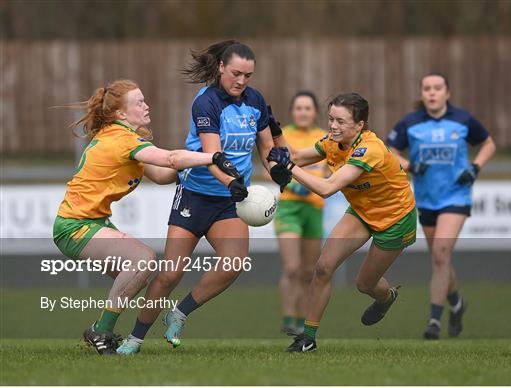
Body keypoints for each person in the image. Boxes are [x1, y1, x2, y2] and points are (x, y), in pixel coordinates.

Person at [116, 40, 291, 355]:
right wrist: (232, 181)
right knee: (170, 273)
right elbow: (213, 155)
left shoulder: (256, 101)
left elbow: (266, 145)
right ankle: (135, 337)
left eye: (248, 75)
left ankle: (179, 312)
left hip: (230, 201)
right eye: (236, 73)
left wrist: (275, 168)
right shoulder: (206, 102)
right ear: (221, 67)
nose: (241, 81)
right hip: (195, 195)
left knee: (235, 262)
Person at [53, 79, 237, 355]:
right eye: (138, 102)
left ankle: (104, 329)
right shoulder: (121, 138)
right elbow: (171, 159)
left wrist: (196, 162)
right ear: (121, 114)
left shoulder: (124, 138)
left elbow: (164, 174)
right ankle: (101, 331)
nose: (146, 105)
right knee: (144, 260)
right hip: (74, 227)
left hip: (91, 223)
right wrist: (212, 157)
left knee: (136, 275)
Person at [268, 92, 417, 352]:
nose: (333, 126)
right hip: (361, 211)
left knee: (365, 284)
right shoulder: (331, 142)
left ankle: (386, 297)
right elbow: (296, 155)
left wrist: (289, 168)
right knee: (323, 267)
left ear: (360, 125)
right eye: (330, 119)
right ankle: (308, 339)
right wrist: (274, 131)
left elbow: (326, 188)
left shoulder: (369, 149)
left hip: (395, 219)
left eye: (341, 121)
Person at [386, 73, 496, 340]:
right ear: (422, 94)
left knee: (440, 253)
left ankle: (434, 321)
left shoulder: (463, 119)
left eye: (437, 88)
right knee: (440, 259)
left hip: (456, 197)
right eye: (427, 89)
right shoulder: (410, 123)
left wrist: (475, 167)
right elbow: (388, 149)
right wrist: (410, 165)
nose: (432, 93)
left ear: (447, 92)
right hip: (426, 199)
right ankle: (457, 304)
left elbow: (489, 143)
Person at [274, 91, 327, 335]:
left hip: (314, 210)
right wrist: (295, 185)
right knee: (292, 268)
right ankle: (288, 320)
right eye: (298, 108)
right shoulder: (283, 135)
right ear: (292, 112)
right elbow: (269, 169)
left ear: (315, 112)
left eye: (307, 108)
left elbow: (332, 172)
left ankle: (302, 321)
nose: (303, 112)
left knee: (308, 272)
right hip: (289, 208)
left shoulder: (324, 138)